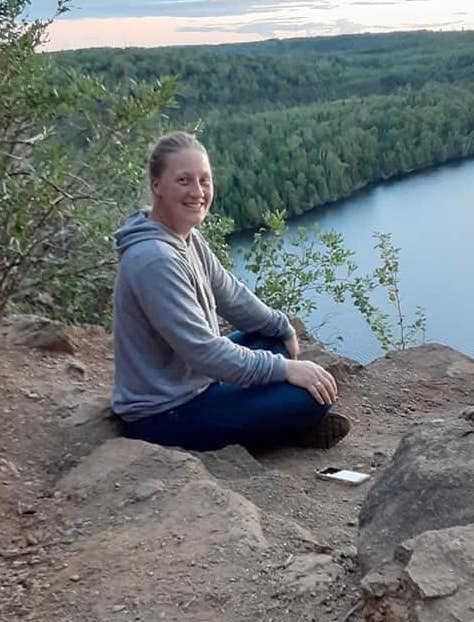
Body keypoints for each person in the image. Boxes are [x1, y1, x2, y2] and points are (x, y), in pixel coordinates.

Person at [111, 131, 350, 452]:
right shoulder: (154, 260)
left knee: (271, 339)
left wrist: (282, 326)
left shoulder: (186, 237)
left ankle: (274, 424)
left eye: (204, 180)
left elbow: (232, 296)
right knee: (308, 398)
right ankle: (286, 431)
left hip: (195, 382)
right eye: (183, 180)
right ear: (157, 186)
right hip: (164, 413)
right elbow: (206, 353)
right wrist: (287, 368)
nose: (198, 192)